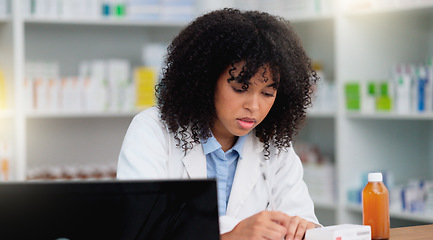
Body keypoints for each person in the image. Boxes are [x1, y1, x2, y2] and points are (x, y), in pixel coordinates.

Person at [117, 8, 320, 240]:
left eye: (267, 93)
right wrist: (230, 236)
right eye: (240, 89)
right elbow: (140, 229)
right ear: (205, 80)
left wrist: (304, 229)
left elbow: (304, 218)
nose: (253, 106)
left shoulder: (273, 145)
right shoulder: (153, 131)